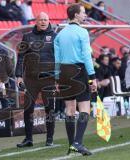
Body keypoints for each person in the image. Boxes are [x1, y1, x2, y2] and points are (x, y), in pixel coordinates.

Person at [54, 3, 97, 156]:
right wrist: (92, 79)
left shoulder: (59, 34)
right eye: (83, 12)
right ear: (76, 15)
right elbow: (86, 56)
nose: (85, 15)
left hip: (64, 73)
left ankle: (71, 145)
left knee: (70, 109)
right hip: (79, 71)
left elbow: (57, 59)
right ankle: (78, 142)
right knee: (85, 108)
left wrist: (57, 79)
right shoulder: (82, 32)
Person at [15, 12, 57, 147]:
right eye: (41, 20)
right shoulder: (27, 37)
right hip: (31, 79)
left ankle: (49, 139)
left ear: (49, 21)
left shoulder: (55, 37)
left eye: (46, 19)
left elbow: (59, 59)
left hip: (49, 79)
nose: (43, 22)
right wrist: (18, 76)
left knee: (49, 109)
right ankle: (28, 139)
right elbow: (21, 57)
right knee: (28, 109)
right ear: (36, 21)